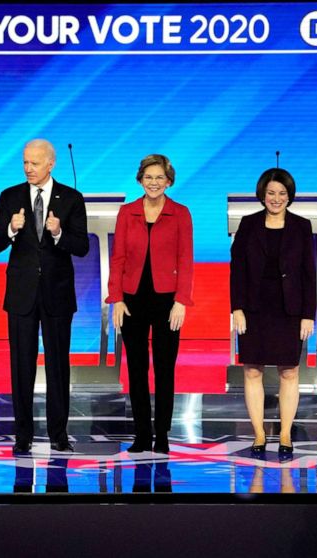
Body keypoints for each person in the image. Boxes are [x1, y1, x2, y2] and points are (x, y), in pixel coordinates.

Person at [0, 139, 89, 454]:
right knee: (21, 367)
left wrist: (59, 233)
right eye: (25, 163)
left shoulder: (71, 198)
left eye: (35, 163)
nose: (29, 168)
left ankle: (59, 433)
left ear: (50, 164)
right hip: (21, 296)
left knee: (58, 366)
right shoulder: (10, 196)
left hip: (57, 295)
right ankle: (23, 434)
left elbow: (82, 246)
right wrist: (11, 229)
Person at [107, 154, 194, 454]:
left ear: (168, 181)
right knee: (137, 368)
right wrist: (116, 298)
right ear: (140, 179)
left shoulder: (180, 213)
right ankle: (142, 433)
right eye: (148, 177)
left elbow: (186, 260)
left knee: (164, 367)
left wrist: (182, 300)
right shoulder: (127, 212)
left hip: (167, 300)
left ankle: (162, 432)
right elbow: (117, 258)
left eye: (159, 178)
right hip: (132, 299)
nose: (153, 182)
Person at [230, 168, 316, 457]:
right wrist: (237, 308)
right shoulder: (248, 224)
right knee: (252, 370)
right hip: (254, 308)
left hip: (288, 308)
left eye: (282, 193)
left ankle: (285, 433)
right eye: (271, 193)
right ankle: (258, 434)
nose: (276, 198)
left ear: (289, 196)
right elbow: (237, 269)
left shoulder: (302, 227)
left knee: (289, 371)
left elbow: (309, 274)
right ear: (262, 195)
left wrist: (308, 314)